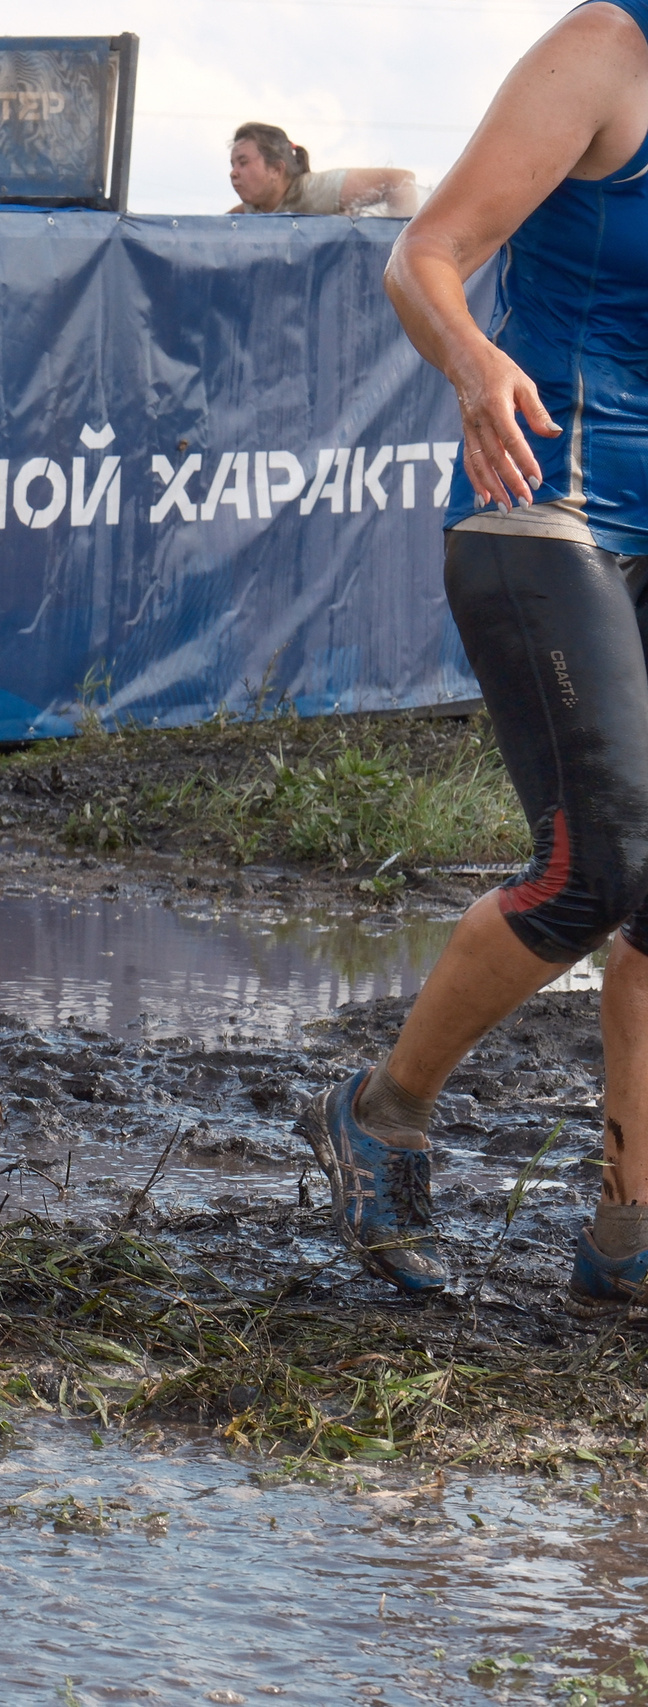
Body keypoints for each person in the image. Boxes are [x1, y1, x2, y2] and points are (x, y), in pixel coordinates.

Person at [323, 0, 648, 1308]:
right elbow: (426, 254)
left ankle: (630, 1230)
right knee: (596, 866)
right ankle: (381, 1110)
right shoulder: (606, 52)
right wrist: (466, 359)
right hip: (546, 500)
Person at [229, 122, 419, 218]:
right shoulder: (250, 211)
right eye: (232, 165)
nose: (233, 173)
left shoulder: (316, 190)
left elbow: (400, 180)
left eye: (243, 163)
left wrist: (400, 247)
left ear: (277, 169)